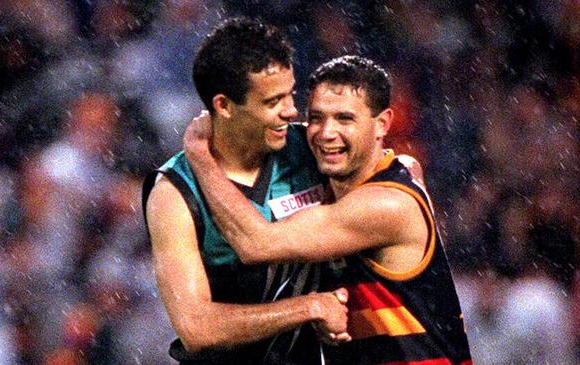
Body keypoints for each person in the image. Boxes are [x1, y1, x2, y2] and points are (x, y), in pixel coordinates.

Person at [183, 55, 474, 364]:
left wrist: (201, 156)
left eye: (344, 119)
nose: (326, 132)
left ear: (383, 124)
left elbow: (257, 244)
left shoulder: (386, 205)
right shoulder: (357, 185)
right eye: (317, 118)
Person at [143, 18, 349, 365]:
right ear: (223, 106)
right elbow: (196, 327)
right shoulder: (174, 194)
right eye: (272, 101)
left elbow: (394, 173)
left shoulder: (312, 148)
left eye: (291, 93)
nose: (291, 111)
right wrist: (307, 307)